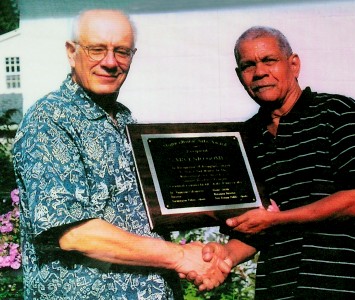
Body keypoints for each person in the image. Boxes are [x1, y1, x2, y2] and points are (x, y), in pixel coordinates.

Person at [12, 9, 229, 299]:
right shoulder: (49, 119)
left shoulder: (127, 121)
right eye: (97, 49)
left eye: (122, 51)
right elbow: (75, 233)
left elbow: (161, 211)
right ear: (71, 51)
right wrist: (179, 256)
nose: (111, 62)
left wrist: (222, 233)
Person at [192, 26, 355, 299]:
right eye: (248, 65)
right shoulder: (245, 138)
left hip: (347, 289)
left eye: (269, 60)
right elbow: (254, 228)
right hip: (278, 291)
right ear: (240, 77)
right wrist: (223, 256)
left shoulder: (338, 112)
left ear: (293, 64)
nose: (259, 71)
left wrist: (277, 221)